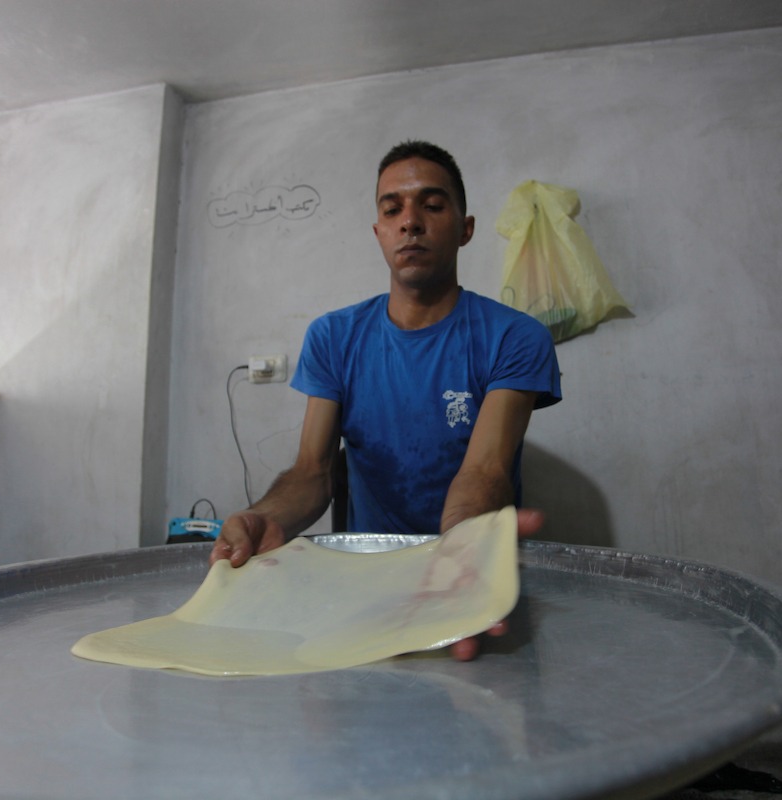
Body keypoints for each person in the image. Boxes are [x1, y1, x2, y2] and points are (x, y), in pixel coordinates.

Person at [211, 140, 562, 660]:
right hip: (365, 592)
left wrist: (457, 554)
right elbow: (312, 472)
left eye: (432, 205)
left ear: (465, 229)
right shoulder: (334, 337)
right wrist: (266, 515)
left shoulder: (514, 336)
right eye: (392, 209)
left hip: (469, 583)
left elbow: (485, 470)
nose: (410, 222)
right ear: (377, 232)